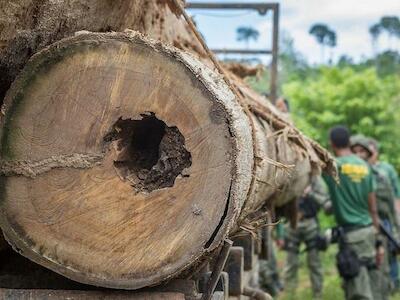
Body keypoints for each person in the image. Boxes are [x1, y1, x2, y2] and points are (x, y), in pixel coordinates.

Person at [323, 126, 381, 300]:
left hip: (351, 236)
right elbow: (373, 208)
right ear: (349, 142)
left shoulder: (333, 168)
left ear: (332, 143)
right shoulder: (365, 166)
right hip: (369, 232)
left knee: (358, 291)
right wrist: (377, 239)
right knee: (369, 282)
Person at [351, 134, 398, 299]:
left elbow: (391, 208)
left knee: (381, 274)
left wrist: (396, 232)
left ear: (369, 154)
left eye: (362, 151)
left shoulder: (381, 177)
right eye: (354, 151)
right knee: (356, 278)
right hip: (356, 233)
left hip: (381, 230)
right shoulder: (347, 177)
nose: (358, 156)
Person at [281, 176, 330, 299]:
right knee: (291, 262)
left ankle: (317, 295)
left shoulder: (315, 180)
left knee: (314, 262)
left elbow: (325, 203)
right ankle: (290, 294)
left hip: (310, 224)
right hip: (292, 224)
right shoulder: (291, 176)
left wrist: (310, 193)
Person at [368, 138, 400, 291]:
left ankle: (395, 282)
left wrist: (397, 218)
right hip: (370, 220)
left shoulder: (386, 169)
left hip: (386, 217)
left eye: (371, 151)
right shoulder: (363, 169)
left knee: (392, 250)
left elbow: (396, 195)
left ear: (376, 152)